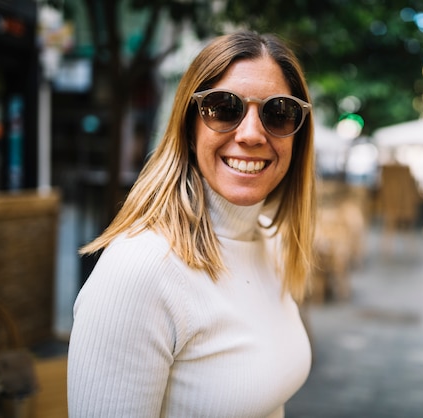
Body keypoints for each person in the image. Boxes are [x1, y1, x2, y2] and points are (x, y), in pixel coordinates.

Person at [67, 31, 316, 418]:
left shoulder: (272, 242)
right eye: (224, 108)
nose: (251, 134)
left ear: (298, 136)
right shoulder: (140, 270)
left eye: (278, 112)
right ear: (188, 126)